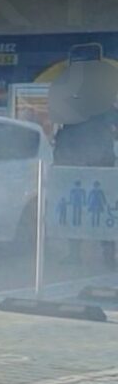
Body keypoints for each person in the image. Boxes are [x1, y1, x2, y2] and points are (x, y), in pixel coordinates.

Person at [54, 107, 118, 269]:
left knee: (100, 211)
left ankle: (105, 254)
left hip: (97, 167)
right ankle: (79, 253)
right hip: (82, 167)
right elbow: (63, 137)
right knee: (78, 211)